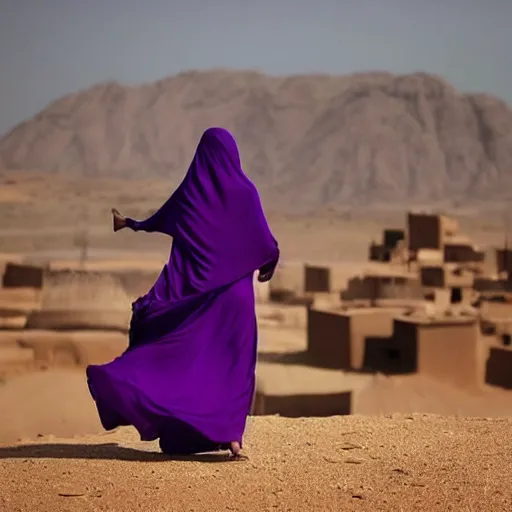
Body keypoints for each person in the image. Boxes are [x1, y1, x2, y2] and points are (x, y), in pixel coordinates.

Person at [86, 127, 279, 458]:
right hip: (236, 301)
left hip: (198, 301)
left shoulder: (193, 193)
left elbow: (161, 219)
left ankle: (127, 383)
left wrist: (132, 223)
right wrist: (270, 259)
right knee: (234, 365)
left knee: (187, 361)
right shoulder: (246, 192)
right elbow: (263, 240)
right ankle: (233, 439)